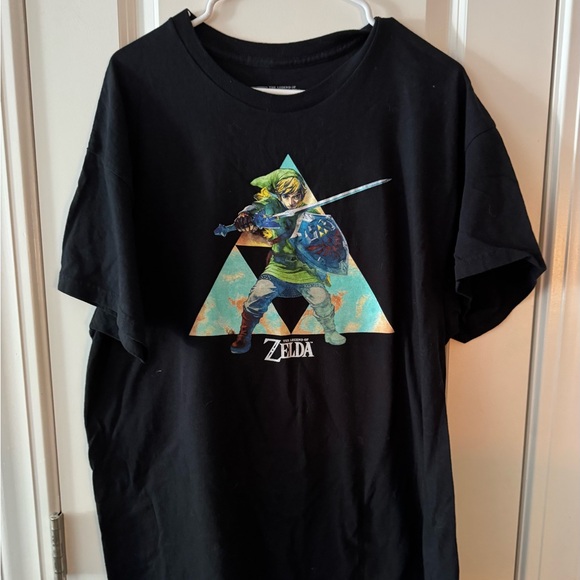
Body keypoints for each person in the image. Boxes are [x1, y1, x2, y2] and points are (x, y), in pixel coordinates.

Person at [231, 168, 347, 354]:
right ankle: (244, 335)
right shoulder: (272, 207)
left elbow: (326, 239)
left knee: (322, 299)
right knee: (257, 296)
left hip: (305, 267)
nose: (292, 201)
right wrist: (245, 216)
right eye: (287, 196)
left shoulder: (310, 212)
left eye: (297, 196)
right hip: (279, 266)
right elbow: (256, 208)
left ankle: (330, 331)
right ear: (279, 195)